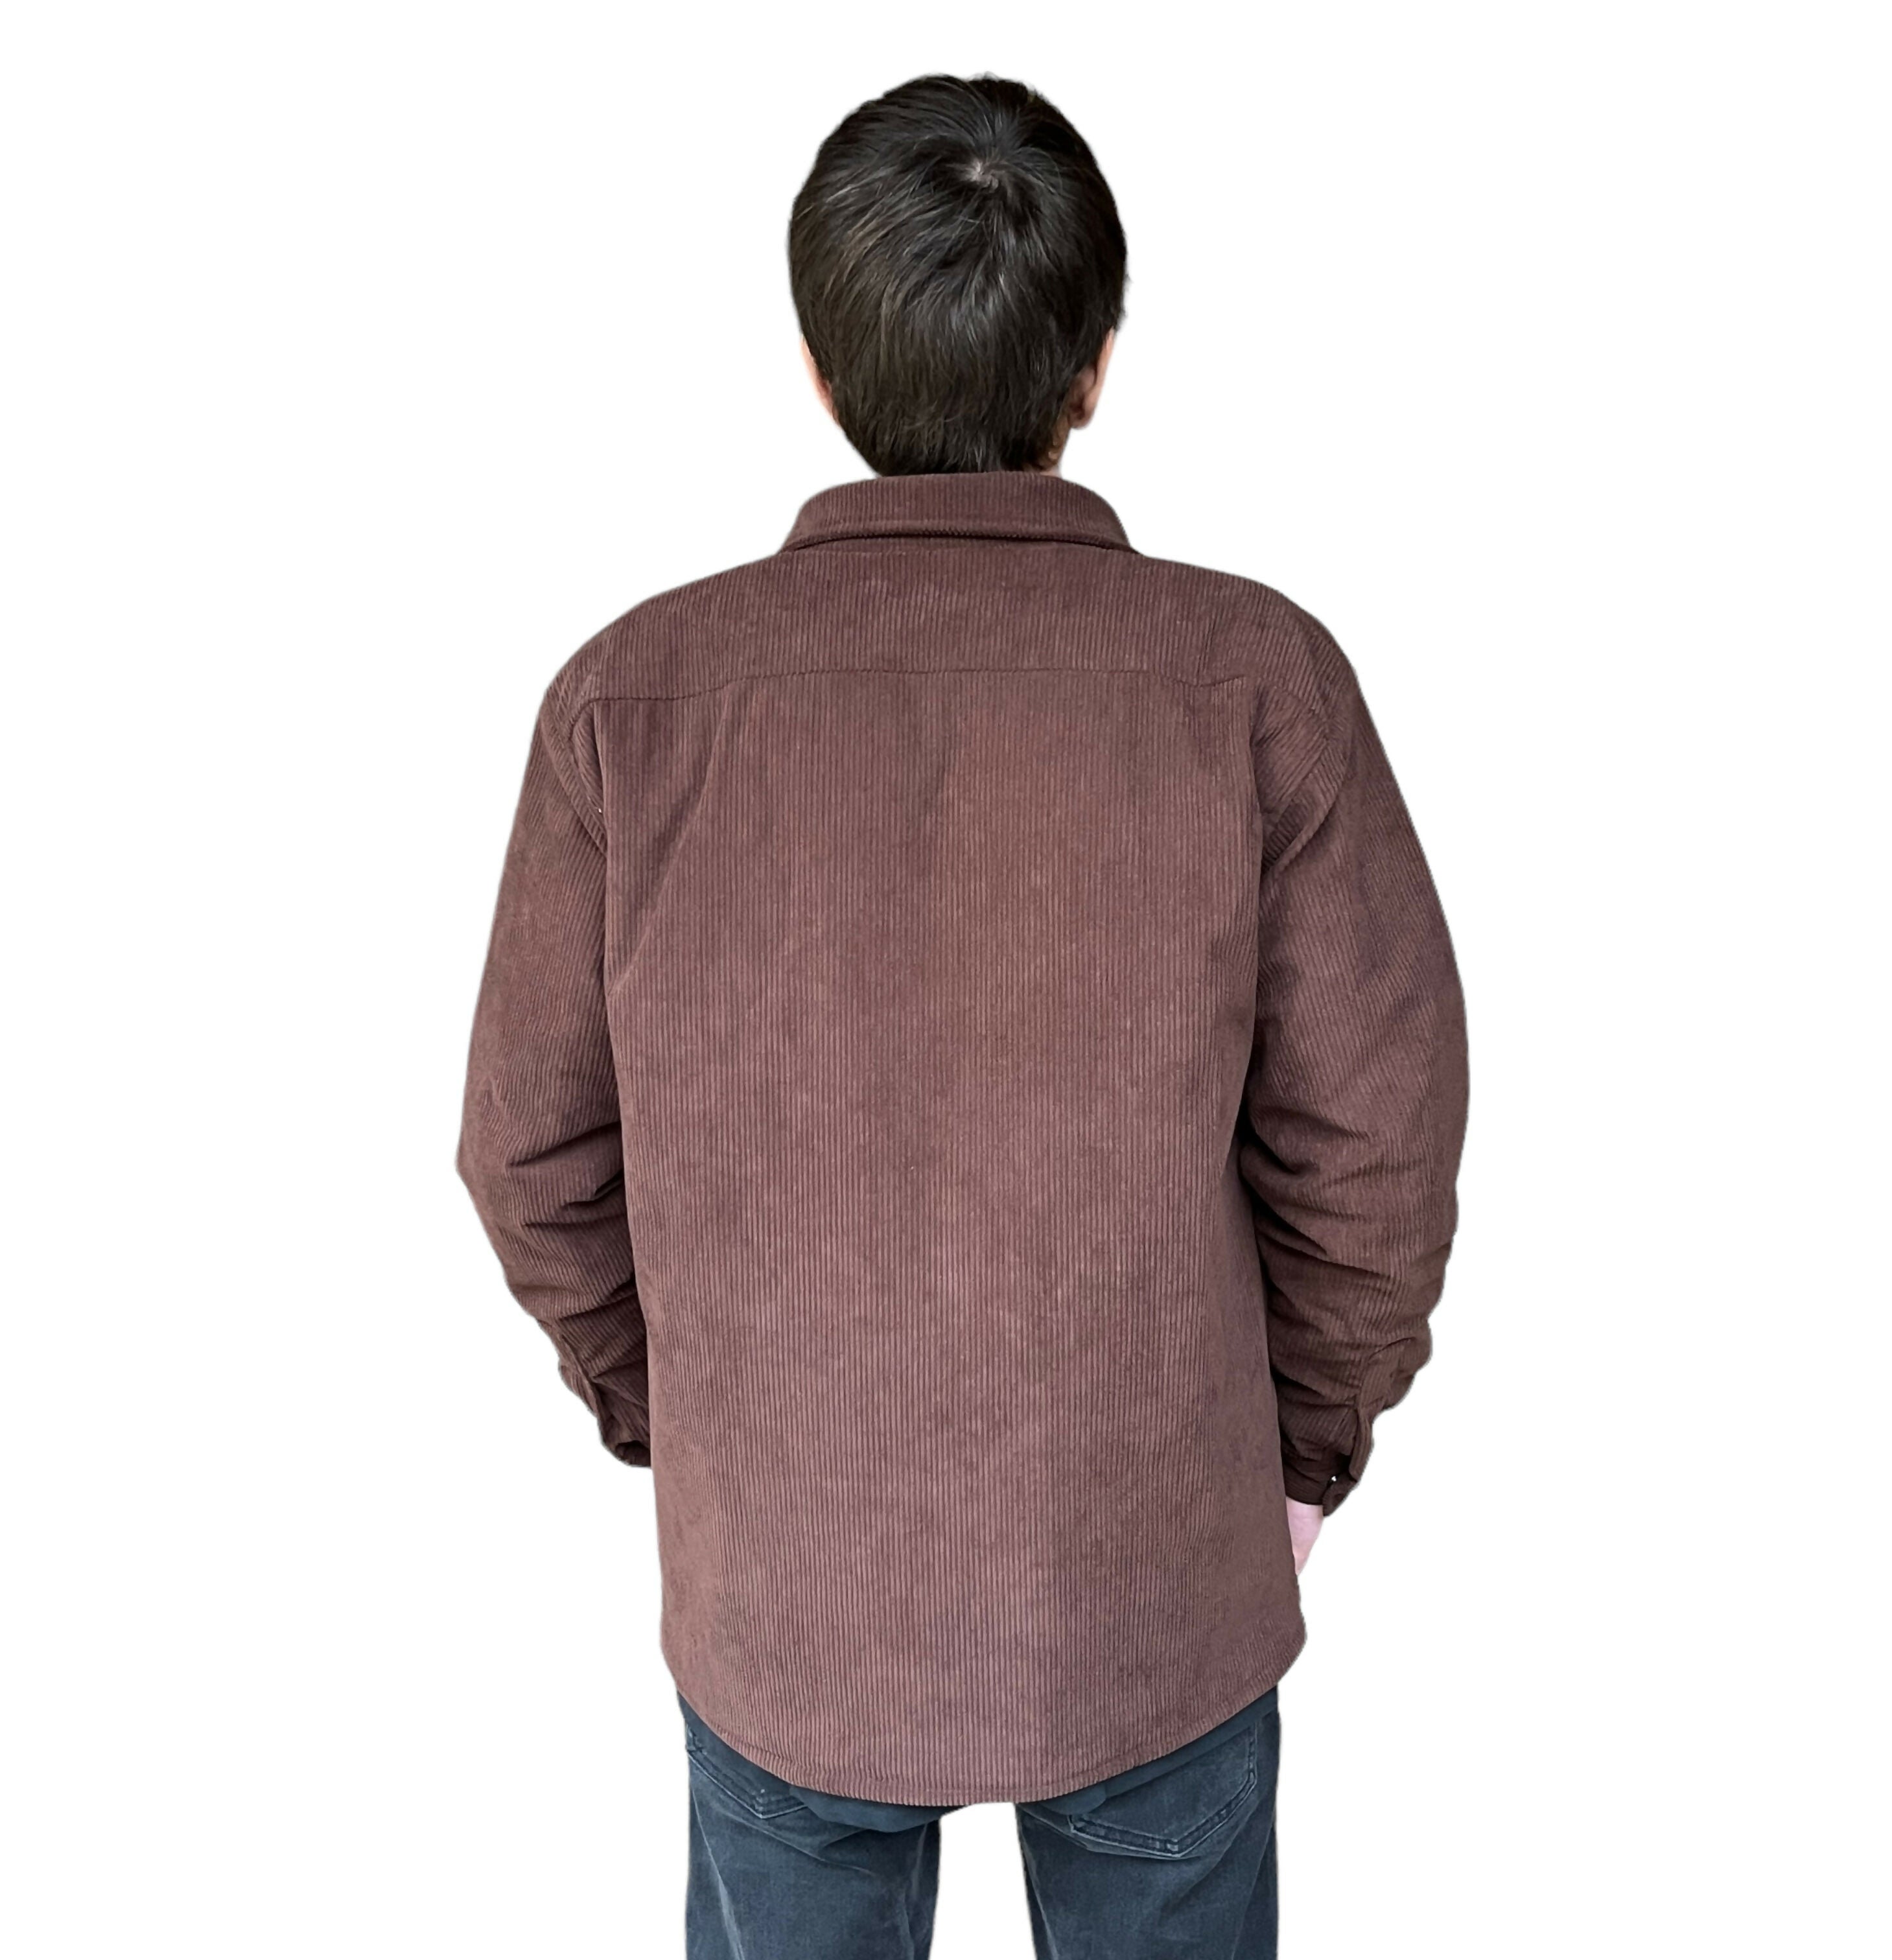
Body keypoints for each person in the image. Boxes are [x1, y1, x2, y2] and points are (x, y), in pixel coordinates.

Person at [458, 71, 1469, 1960]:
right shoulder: (1257, 677)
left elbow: (529, 1153)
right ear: (1093, 365)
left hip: (791, 1592)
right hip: (1158, 1574)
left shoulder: (631, 699)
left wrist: (688, 1424)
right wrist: (1298, 1454)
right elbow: (1379, 1149)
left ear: (818, 363)